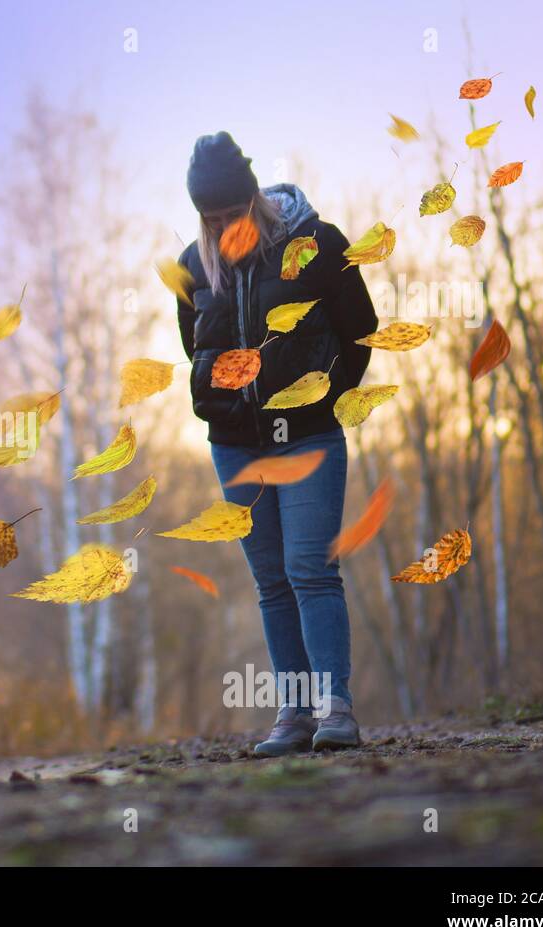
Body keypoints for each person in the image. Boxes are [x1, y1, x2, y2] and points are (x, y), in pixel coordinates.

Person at [176, 132, 379, 756]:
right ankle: (293, 715)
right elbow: (196, 346)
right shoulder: (192, 265)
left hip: (309, 437)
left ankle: (335, 709)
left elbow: (361, 329)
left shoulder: (316, 244)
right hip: (236, 446)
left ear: (254, 197)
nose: (222, 226)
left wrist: (324, 393)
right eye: (210, 219)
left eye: (232, 214)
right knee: (271, 580)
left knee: (310, 569)